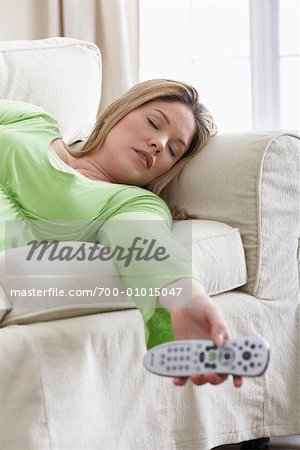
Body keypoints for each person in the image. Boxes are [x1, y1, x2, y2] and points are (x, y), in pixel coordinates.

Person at [0, 78, 242, 389]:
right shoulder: (32, 120)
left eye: (172, 149)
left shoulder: (132, 203)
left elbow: (147, 245)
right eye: (154, 123)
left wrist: (188, 300)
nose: (159, 143)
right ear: (120, 111)